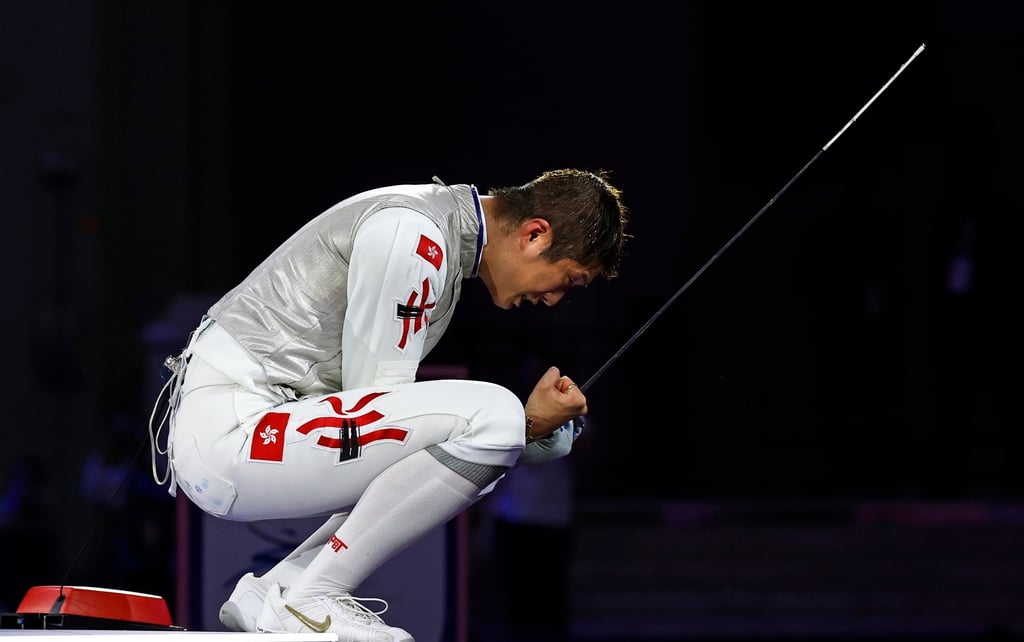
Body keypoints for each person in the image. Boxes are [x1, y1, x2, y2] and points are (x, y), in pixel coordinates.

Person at [150, 169, 630, 641]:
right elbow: (377, 416)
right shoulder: (416, 234)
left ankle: (282, 587)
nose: (554, 299)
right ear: (534, 234)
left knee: (490, 424)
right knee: (493, 413)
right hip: (234, 433)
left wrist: (520, 436)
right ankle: (311, 597)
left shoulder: (431, 229)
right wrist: (519, 426)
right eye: (568, 279)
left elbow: (391, 445)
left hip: (245, 430)